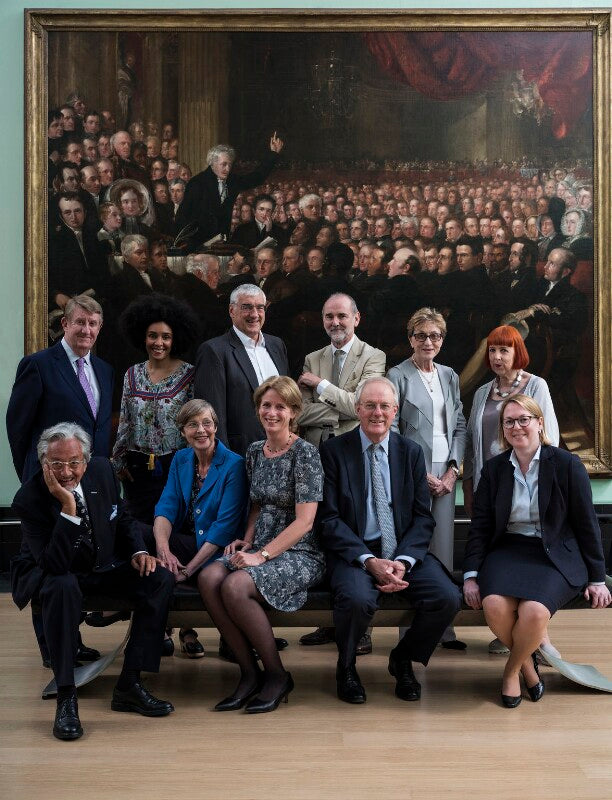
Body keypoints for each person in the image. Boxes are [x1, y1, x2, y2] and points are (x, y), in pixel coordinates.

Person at [11, 423, 175, 740]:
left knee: (159, 579)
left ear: (86, 460)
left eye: (74, 462)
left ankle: (130, 683)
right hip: (61, 572)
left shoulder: (101, 470)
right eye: (56, 463)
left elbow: (122, 516)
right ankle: (66, 696)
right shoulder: (29, 498)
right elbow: (54, 564)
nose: (66, 472)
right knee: (61, 586)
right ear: (44, 462)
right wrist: (68, 507)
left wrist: (140, 550)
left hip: (103, 565)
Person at [319, 377, 461, 704]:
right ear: (357, 409)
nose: (377, 412)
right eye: (370, 405)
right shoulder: (333, 452)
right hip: (356, 553)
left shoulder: (410, 452)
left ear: (395, 411)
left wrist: (402, 561)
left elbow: (423, 516)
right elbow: (327, 519)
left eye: (385, 406)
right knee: (356, 599)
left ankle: (403, 659)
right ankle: (346, 666)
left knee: (447, 598)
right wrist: (369, 561)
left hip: (402, 552)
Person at [463, 395, 610, 707]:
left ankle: (511, 670)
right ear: (503, 429)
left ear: (539, 423)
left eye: (523, 419)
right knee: (494, 606)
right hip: (508, 550)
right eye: (509, 421)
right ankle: (529, 668)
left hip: (553, 554)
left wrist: (598, 578)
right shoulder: (494, 470)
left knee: (534, 612)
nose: (517, 427)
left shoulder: (567, 465)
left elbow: (587, 524)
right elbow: (480, 527)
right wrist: (471, 575)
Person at [199, 376, 325, 713]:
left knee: (236, 586)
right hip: (260, 546)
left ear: (293, 412)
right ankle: (248, 673)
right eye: (265, 405)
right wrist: (247, 541)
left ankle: (276, 674)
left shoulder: (306, 454)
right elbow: (256, 504)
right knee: (210, 577)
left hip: (299, 551)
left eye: (279, 407)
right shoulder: (255, 451)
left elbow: (305, 521)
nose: (271, 412)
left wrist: (261, 555)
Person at [7, 295, 113, 666]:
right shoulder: (37, 365)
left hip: (88, 480)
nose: (87, 330)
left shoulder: (102, 369)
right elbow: (18, 428)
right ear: (65, 324)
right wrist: (35, 480)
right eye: (80, 322)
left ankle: (73, 639)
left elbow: (99, 429)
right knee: (47, 567)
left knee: (78, 559)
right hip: (50, 482)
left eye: (93, 324)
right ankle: (52, 649)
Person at [462, 324, 560, 656]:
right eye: (492, 350)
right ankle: (510, 628)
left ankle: (537, 635)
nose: (497, 356)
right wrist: (468, 484)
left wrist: (540, 482)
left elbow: (551, 438)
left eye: (505, 350)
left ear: (518, 352)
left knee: (529, 556)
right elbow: (473, 447)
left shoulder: (537, 386)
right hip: (489, 487)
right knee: (500, 557)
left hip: (525, 486)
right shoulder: (481, 393)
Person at [297, 292, 385, 651]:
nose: (335, 323)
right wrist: (345, 408)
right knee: (322, 535)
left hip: (356, 456)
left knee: (356, 533)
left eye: (342, 316)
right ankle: (327, 622)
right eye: (329, 316)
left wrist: (321, 388)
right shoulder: (312, 357)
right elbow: (300, 414)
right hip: (319, 456)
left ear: (356, 318)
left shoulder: (374, 356)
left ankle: (361, 625)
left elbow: (364, 407)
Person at [386, 308, 467, 649]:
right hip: (411, 473)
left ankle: (444, 630)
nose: (428, 342)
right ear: (410, 339)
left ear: (442, 340)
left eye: (435, 336)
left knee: (444, 551)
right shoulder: (397, 374)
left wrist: (453, 471)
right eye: (421, 336)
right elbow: (390, 428)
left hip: (446, 474)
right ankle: (411, 632)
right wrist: (421, 474)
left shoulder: (449, 375)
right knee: (414, 550)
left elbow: (459, 426)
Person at [152, 399, 249, 658]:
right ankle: (157, 627)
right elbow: (166, 506)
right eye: (192, 425)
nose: (201, 430)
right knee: (140, 534)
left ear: (216, 427)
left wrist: (189, 569)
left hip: (217, 548)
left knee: (196, 570)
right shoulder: (181, 459)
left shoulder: (233, 464)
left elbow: (224, 527)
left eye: (207, 423)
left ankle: (226, 636)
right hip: (187, 542)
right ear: (183, 431)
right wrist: (163, 550)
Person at [111, 295, 199, 524]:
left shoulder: (189, 375)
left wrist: (194, 466)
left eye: (166, 337)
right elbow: (125, 420)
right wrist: (119, 460)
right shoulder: (132, 374)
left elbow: (193, 424)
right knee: (137, 527)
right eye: (153, 336)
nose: (158, 343)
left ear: (175, 338)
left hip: (175, 466)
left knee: (172, 525)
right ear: (143, 337)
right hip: (136, 468)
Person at [193, 284, 289, 457]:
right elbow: (210, 414)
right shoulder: (214, 351)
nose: (254, 314)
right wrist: (223, 461)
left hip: (281, 452)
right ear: (232, 311)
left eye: (260, 307)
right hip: (239, 455)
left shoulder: (277, 345)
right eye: (247, 307)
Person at [176, 136, 284, 252]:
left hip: (222, 245)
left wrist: (273, 154)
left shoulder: (232, 181)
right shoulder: (197, 183)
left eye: (230, 165)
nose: (227, 169)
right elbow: (183, 215)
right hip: (198, 245)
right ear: (212, 163)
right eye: (224, 164)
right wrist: (188, 245)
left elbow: (256, 178)